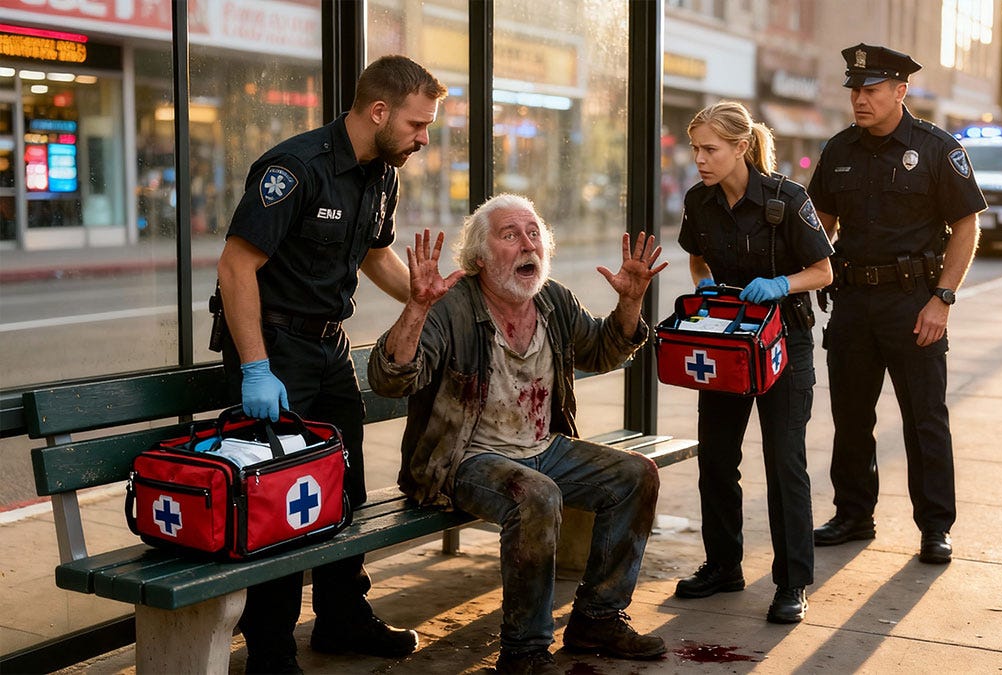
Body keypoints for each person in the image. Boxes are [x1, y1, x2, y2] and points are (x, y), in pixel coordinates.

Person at [367, 194, 669, 674]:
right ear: (480, 258)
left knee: (636, 475)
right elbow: (389, 380)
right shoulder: (453, 308)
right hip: (461, 459)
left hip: (542, 450)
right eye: (509, 235)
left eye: (533, 234)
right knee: (537, 496)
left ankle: (598, 617)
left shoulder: (552, 299)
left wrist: (629, 302)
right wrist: (417, 307)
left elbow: (603, 352)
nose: (527, 245)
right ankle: (524, 652)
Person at [215, 55, 447, 674]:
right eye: (418, 125)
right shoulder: (295, 169)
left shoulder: (381, 173)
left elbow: (374, 254)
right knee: (279, 498)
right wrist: (256, 368)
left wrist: (418, 295)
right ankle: (270, 650)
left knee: (345, 487)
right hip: (274, 346)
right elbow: (237, 266)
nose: (424, 139)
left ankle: (343, 619)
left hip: (327, 344)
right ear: (379, 112)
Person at [806, 44, 985, 565]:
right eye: (855, 91)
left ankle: (935, 527)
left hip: (914, 303)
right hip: (853, 301)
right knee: (851, 416)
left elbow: (966, 225)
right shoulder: (839, 150)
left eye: (871, 90)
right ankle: (854, 513)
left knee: (924, 418)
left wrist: (942, 299)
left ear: (900, 91)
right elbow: (821, 221)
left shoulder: (936, 148)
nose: (859, 100)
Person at [672, 101, 834, 624]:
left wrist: (783, 284)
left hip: (783, 341)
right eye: (696, 148)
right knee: (717, 456)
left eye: (710, 149)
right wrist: (704, 287)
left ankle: (792, 583)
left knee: (784, 461)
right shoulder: (699, 202)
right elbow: (696, 255)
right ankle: (723, 565)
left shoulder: (787, 200)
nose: (699, 158)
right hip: (726, 343)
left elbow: (823, 270)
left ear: (741, 147)